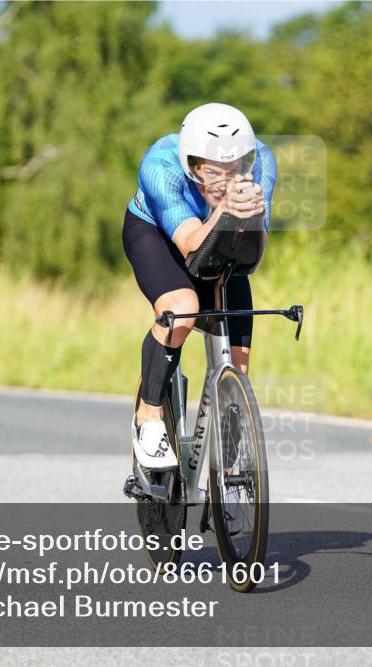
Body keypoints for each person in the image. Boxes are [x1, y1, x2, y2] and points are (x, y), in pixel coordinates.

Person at [123, 102, 276, 469]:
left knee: (237, 361)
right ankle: (149, 415)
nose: (227, 181)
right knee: (183, 309)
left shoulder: (263, 163)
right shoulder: (160, 166)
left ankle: (228, 462)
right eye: (214, 173)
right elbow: (191, 244)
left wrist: (252, 217)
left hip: (219, 236)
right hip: (158, 235)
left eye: (237, 169)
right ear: (192, 165)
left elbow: (252, 258)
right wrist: (225, 212)